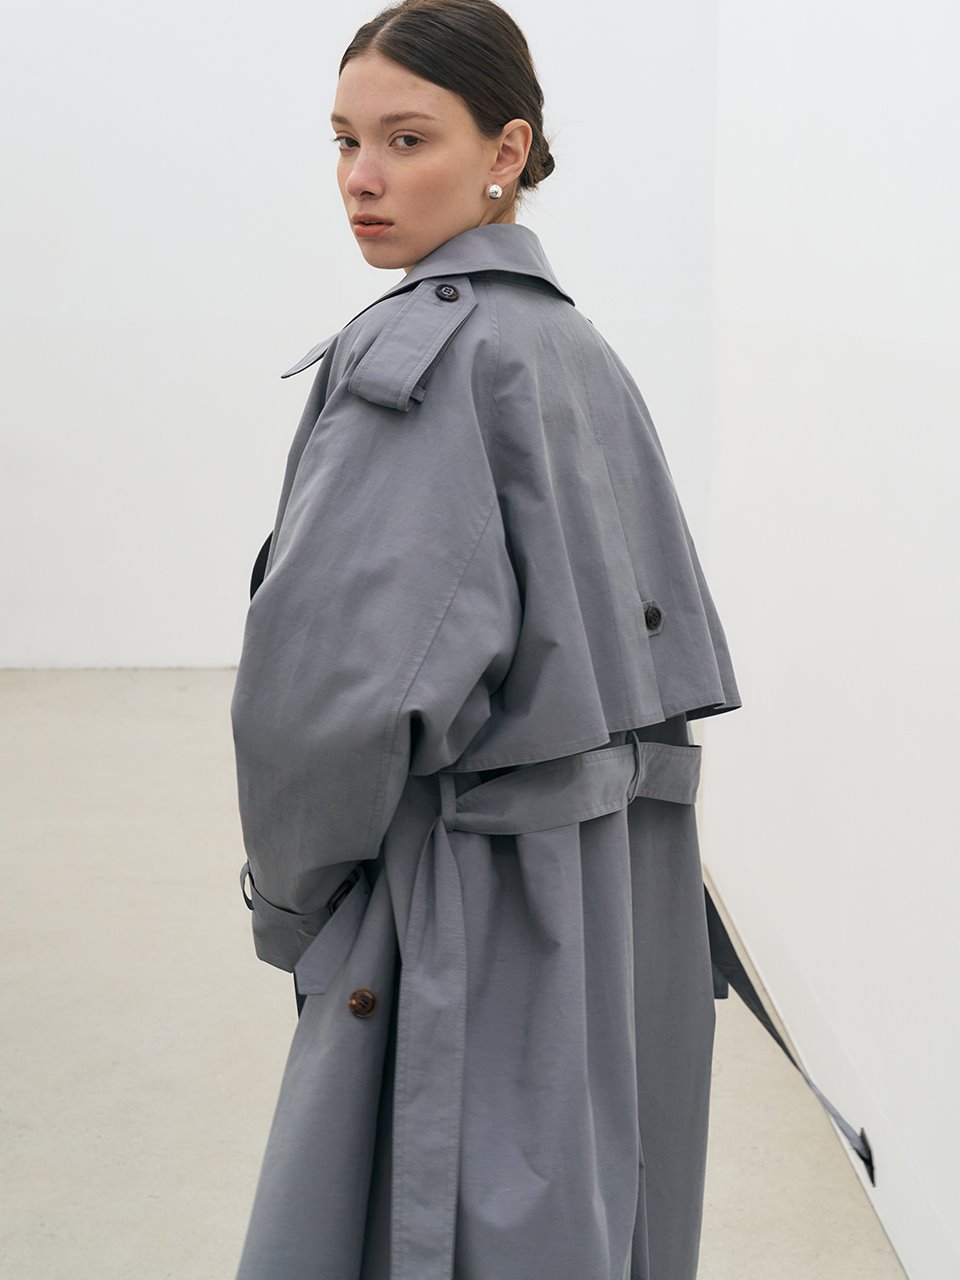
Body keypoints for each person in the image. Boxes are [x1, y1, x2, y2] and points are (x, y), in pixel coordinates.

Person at [230, 2, 742, 1276]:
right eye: (345, 139)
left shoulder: (421, 359)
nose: (362, 178)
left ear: (505, 150)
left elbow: (325, 707)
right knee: (583, 1210)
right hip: (612, 894)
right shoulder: (574, 346)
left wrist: (295, 910)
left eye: (408, 139)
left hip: (471, 906)